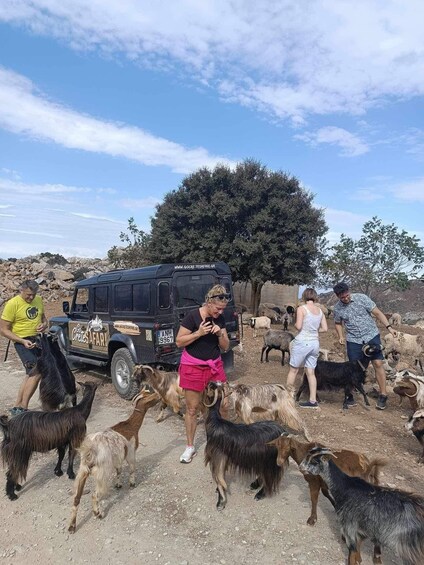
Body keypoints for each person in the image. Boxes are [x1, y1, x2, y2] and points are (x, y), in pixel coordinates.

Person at [176, 284, 230, 463]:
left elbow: (226, 347)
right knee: (192, 409)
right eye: (217, 308)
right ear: (209, 303)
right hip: (193, 367)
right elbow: (179, 341)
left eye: (223, 309)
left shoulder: (220, 319)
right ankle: (190, 447)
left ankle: (220, 443)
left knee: (223, 405)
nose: (220, 312)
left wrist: (219, 335)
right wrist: (198, 333)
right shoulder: (192, 317)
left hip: (214, 367)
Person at [332, 282, 396, 410]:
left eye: (347, 295)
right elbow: (338, 323)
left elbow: (377, 313)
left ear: (349, 291)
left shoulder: (362, 298)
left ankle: (383, 395)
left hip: (371, 336)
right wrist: (340, 336)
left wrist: (389, 327)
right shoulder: (337, 308)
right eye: (342, 297)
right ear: (338, 296)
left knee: (378, 364)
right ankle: (350, 396)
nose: (346, 298)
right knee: (353, 368)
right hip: (353, 340)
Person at [0, 280, 48, 415]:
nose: (31, 298)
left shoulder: (38, 300)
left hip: (38, 340)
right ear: (21, 290)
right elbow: (3, 330)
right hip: (21, 341)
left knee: (30, 374)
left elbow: (44, 319)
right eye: (28, 295)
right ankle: (23, 409)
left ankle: (17, 406)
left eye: (33, 295)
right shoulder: (12, 304)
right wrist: (22, 340)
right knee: (36, 372)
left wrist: (44, 325)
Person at [286, 288, 328, 408]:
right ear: (315, 297)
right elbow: (325, 328)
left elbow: (298, 326)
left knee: (293, 370)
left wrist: (296, 324)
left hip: (302, 342)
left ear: (304, 297)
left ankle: (287, 397)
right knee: (310, 372)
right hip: (315, 343)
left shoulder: (302, 309)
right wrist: (314, 330)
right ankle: (313, 400)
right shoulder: (320, 311)